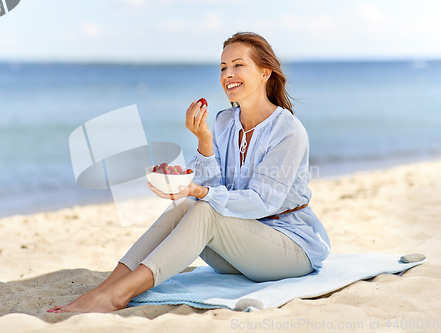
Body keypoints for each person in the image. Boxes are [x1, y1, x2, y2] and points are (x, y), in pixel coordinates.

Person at [48, 31, 331, 314]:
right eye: (223, 67)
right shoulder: (223, 122)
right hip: (243, 251)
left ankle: (119, 295)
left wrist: (200, 191)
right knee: (187, 205)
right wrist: (204, 143)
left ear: (265, 72)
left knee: (203, 208)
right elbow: (211, 189)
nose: (227, 74)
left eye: (237, 65)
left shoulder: (287, 129)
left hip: (290, 248)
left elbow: (262, 201)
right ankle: (105, 289)